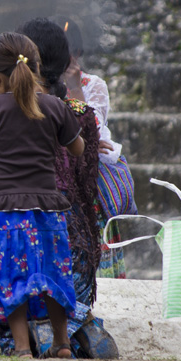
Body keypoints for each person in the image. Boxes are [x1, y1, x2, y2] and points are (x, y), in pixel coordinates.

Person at [0, 32, 84, 359]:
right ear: (36, 68)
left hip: (5, 214)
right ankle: (61, 344)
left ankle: (21, 348)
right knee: (53, 275)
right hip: (48, 211)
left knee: (10, 278)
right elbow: (77, 147)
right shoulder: (53, 105)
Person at [62, 19, 135, 279]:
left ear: (78, 54)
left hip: (90, 185)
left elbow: (92, 130)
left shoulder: (93, 85)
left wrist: (75, 89)